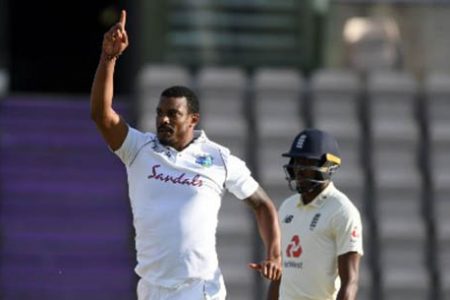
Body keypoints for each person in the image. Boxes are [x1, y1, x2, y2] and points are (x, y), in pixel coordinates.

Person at [90, 10, 282, 300]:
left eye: (173, 114)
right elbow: (101, 115)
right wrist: (109, 58)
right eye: (159, 113)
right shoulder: (138, 149)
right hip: (151, 289)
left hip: (199, 289)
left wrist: (275, 255)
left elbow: (262, 205)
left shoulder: (219, 159)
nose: (163, 120)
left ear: (193, 119)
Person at [267, 128, 364, 300]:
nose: (299, 170)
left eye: (307, 162)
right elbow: (280, 275)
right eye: (296, 162)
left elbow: (351, 281)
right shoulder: (287, 207)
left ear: (326, 166)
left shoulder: (342, 210)